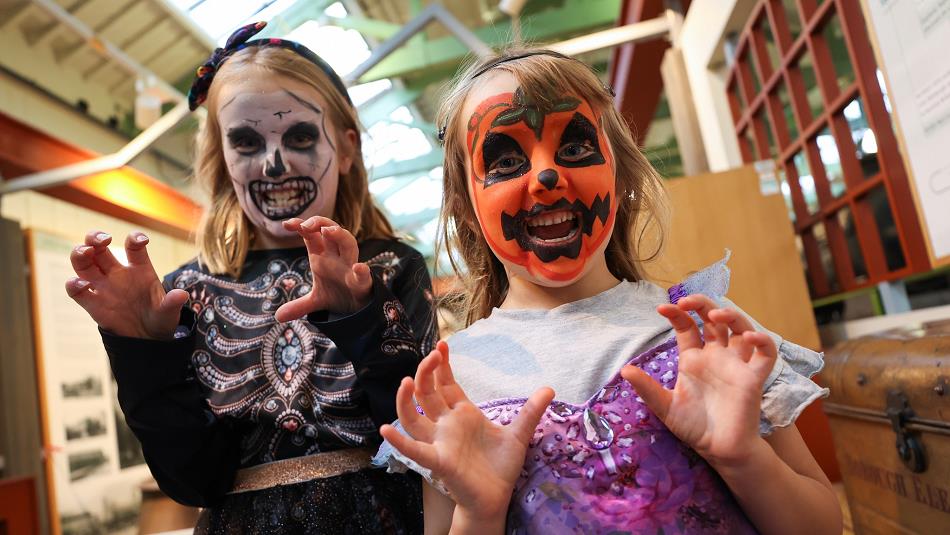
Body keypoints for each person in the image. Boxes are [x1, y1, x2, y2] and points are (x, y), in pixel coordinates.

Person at [375, 49, 843, 534]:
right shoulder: (455, 380)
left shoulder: (700, 330)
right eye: (507, 160)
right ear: (466, 207)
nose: (545, 178)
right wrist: (479, 511)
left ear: (620, 175)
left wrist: (743, 457)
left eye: (574, 149)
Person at [65, 21, 435, 534]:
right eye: (246, 142)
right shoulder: (184, 293)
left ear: (347, 148)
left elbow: (424, 434)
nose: (275, 163)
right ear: (222, 157)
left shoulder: (390, 269)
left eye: (301, 136)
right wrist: (144, 352)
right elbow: (195, 481)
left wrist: (362, 318)